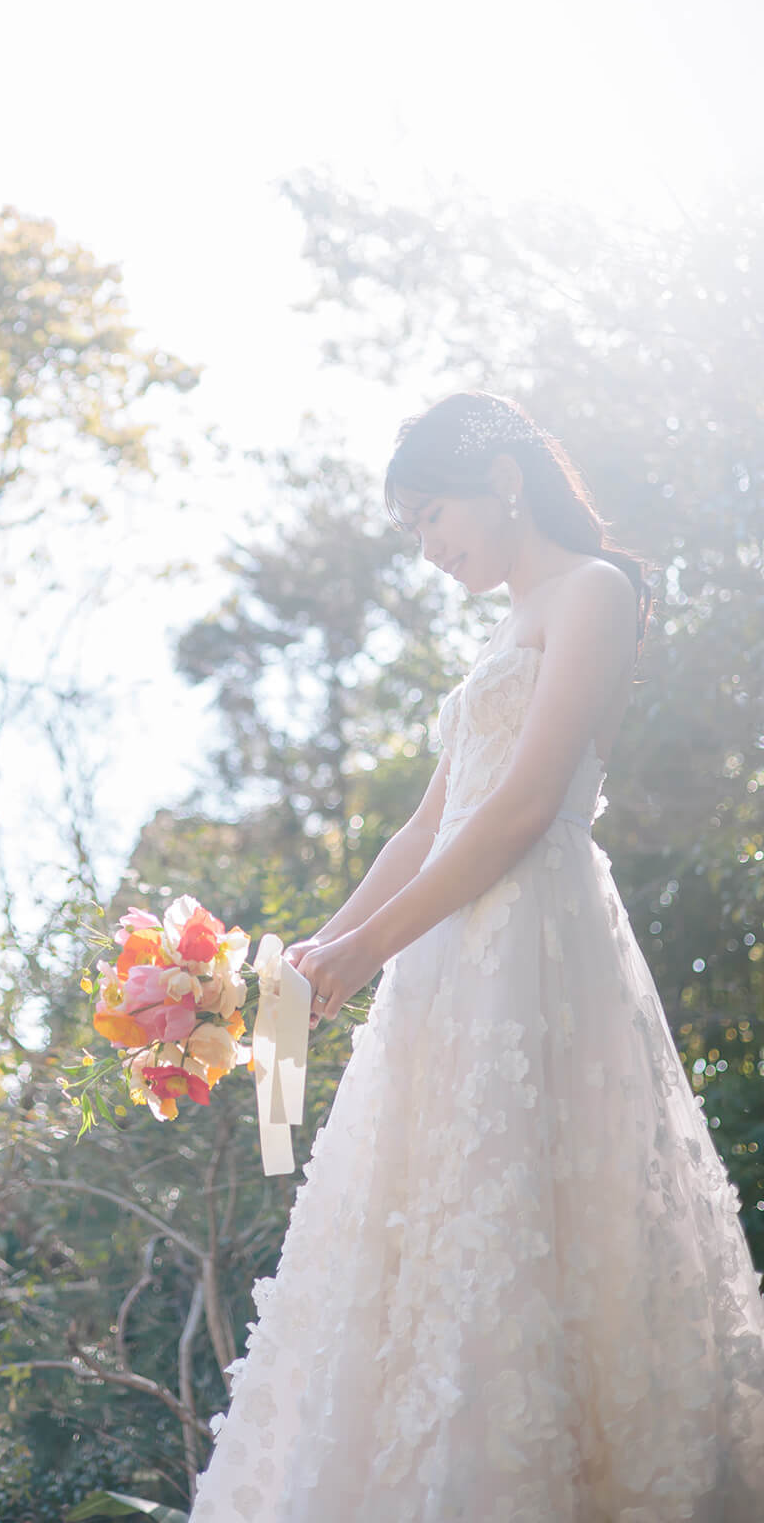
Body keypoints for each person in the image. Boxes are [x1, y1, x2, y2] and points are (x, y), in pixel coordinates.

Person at [189, 392, 764, 1522]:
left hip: (535, 948)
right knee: (426, 1229)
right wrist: (318, 952)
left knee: (540, 1222)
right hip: (447, 963)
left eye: (432, 516)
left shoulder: (594, 591)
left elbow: (521, 811)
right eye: (411, 532)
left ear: (502, 478)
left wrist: (361, 951)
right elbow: (425, 827)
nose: (430, 548)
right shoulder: (501, 631)